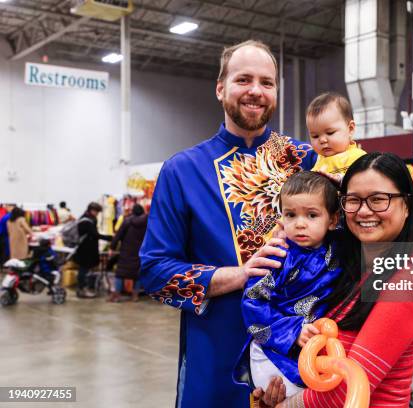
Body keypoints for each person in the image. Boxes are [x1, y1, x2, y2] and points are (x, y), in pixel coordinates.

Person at [139, 39, 316, 407]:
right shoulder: (182, 170)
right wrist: (240, 274)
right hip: (215, 359)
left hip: (302, 359)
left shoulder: (307, 160)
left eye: (267, 83)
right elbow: (154, 272)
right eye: (243, 80)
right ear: (220, 89)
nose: (256, 91)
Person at [253, 153, 413, 408]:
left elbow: (343, 392)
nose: (363, 211)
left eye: (379, 199)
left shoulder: (407, 284)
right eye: (353, 200)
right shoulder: (349, 264)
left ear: (406, 205)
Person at [236, 171, 342, 396]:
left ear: (332, 220)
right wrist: (292, 331)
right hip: (274, 350)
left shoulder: (339, 247)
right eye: (291, 215)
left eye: (312, 215)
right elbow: (252, 302)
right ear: (281, 218)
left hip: (313, 346)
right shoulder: (276, 256)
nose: (300, 224)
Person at [307, 92, 366, 175]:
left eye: (330, 133)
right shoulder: (319, 161)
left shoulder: (358, 158)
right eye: (315, 136)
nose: (322, 140)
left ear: (350, 129)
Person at [108, 204, 148, 302]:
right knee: (137, 274)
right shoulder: (147, 222)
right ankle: (135, 296)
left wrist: (112, 247)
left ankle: (117, 296)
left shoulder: (127, 221)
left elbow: (118, 235)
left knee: (120, 274)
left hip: (126, 251)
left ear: (133, 211)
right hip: (140, 252)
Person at [73, 202, 112, 299]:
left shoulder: (86, 218)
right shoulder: (87, 221)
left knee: (84, 269)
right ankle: (82, 290)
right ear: (92, 210)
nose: (97, 214)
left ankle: (82, 289)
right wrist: (109, 238)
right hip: (85, 250)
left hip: (85, 249)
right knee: (83, 269)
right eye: (97, 212)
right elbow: (94, 234)